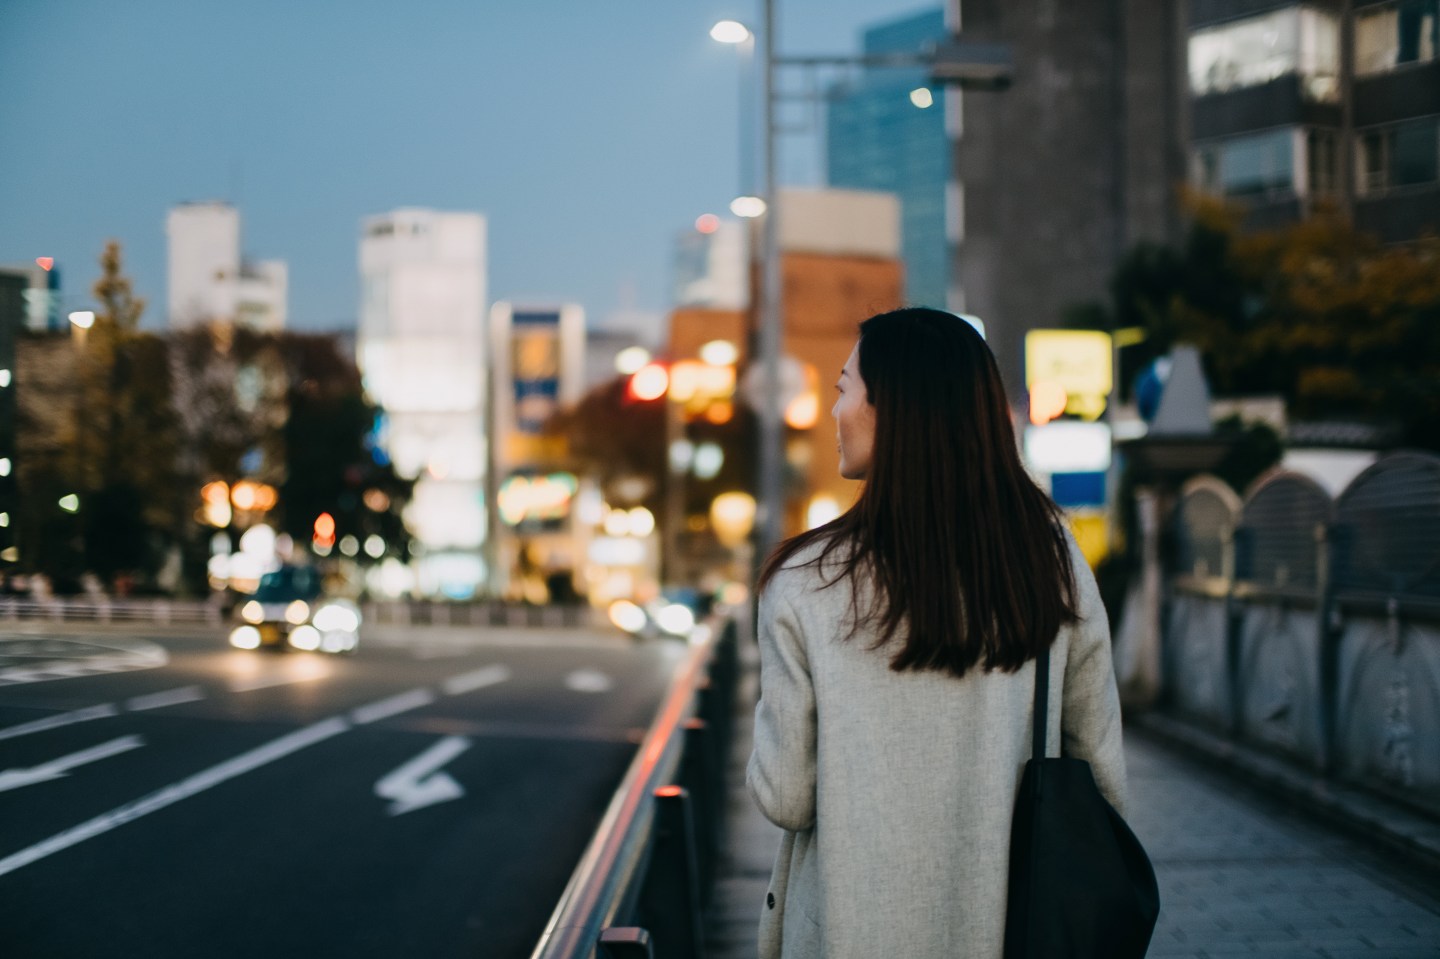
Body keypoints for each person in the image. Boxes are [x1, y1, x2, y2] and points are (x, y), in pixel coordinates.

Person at [747, 307, 1126, 959]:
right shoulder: (1050, 560)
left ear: (888, 407)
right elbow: (1101, 776)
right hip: (1013, 933)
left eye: (844, 388)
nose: (834, 409)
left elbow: (785, 793)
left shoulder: (807, 581)